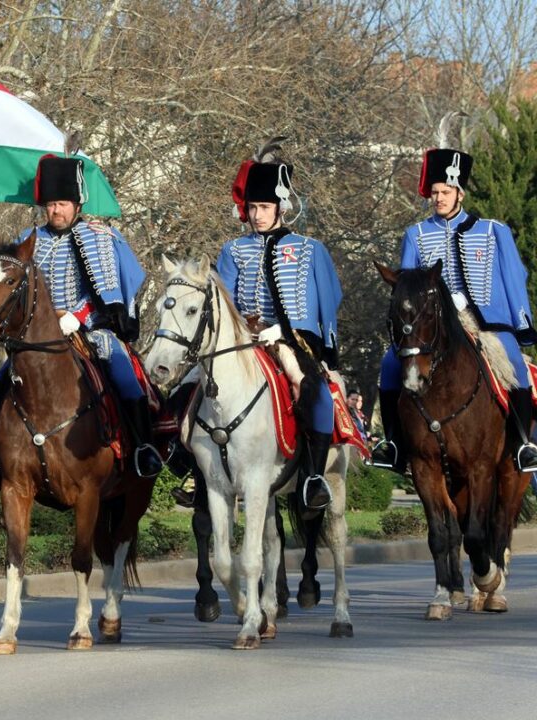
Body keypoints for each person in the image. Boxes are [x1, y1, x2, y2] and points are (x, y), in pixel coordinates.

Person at [0, 154, 163, 479]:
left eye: (63, 203)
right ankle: (0, 459)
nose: (56, 211)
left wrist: (78, 317)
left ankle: (143, 448)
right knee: (0, 383)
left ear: (77, 204)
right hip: (39, 333)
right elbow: (1, 270)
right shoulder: (32, 238)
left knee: (124, 372)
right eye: (51, 204)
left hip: (90, 327)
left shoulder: (98, 237)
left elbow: (108, 290)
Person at [370, 136, 537, 474]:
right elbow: (405, 283)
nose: (438, 198)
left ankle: (522, 444)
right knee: (390, 365)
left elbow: (514, 279)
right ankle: (394, 444)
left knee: (516, 368)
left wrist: (522, 325)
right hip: (433, 326)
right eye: (434, 192)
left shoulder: (493, 231)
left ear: (460, 193)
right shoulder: (416, 234)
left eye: (445, 192)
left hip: (487, 324)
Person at [215, 140, 343, 517]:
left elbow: (327, 301)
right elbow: (224, 301)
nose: (256, 215)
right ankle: (191, 466)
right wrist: (243, 328)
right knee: (195, 386)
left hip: (289, 342)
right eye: (252, 207)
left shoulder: (309, 249)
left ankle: (314, 478)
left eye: (264, 208)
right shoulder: (233, 250)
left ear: (281, 208)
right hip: (241, 343)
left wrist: (285, 333)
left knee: (314, 393)